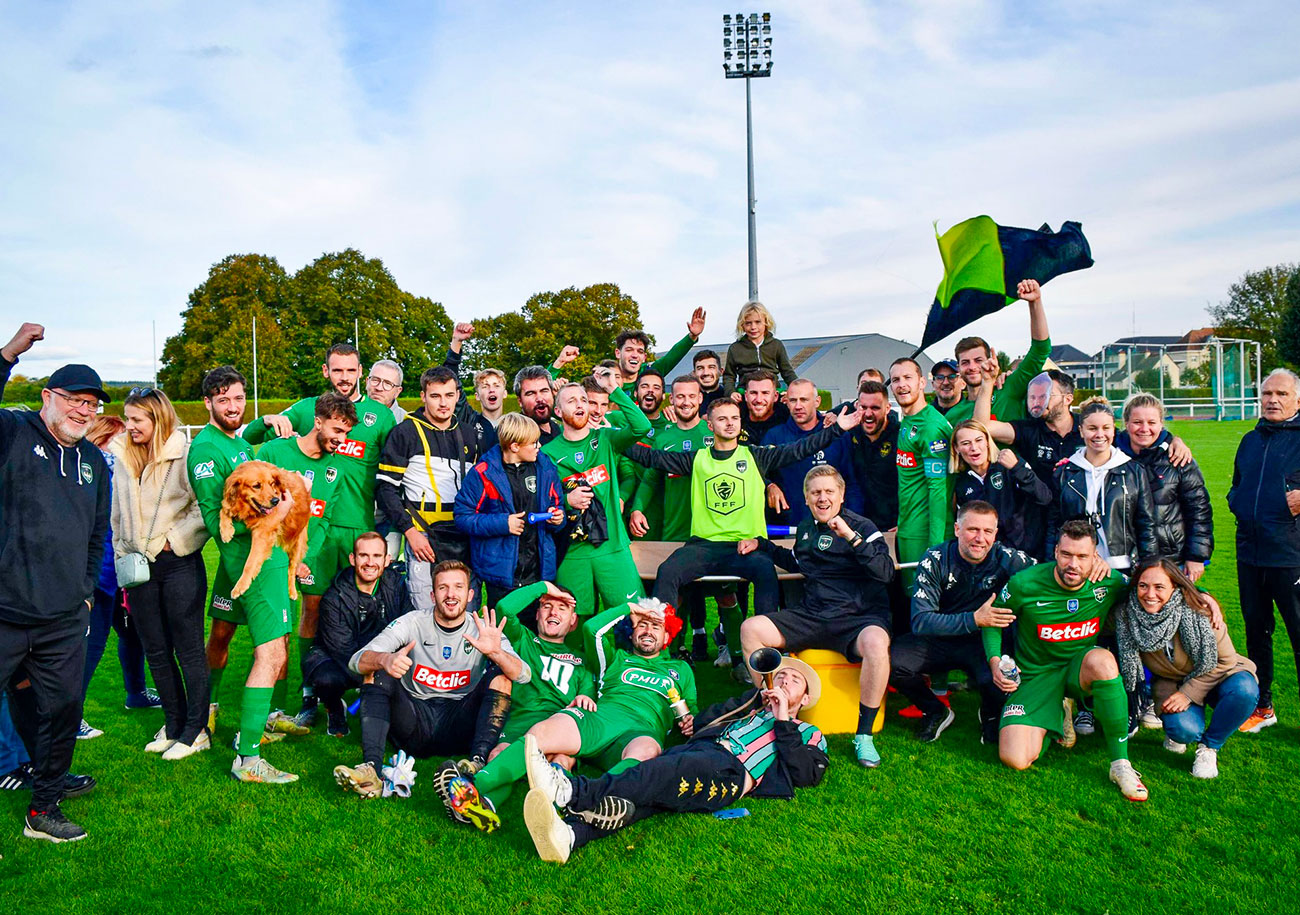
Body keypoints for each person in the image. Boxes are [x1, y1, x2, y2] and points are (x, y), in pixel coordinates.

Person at [624, 398, 864, 679]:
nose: (729, 423)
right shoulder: (697, 459)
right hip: (704, 546)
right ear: (710, 425)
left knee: (765, 572)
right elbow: (651, 457)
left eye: (734, 418)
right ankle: (659, 654)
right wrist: (608, 438)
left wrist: (839, 429)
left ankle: (768, 652)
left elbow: (800, 449)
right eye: (722, 419)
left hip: (746, 547)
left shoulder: (756, 456)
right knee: (668, 571)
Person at [519, 656, 827, 864]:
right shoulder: (749, 707)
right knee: (645, 799)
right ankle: (572, 835)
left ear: (806, 699)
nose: (784, 681)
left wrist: (783, 718)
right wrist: (750, 700)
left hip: (730, 770)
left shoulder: (809, 732)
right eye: (781, 675)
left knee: (653, 773)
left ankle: (571, 791)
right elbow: (704, 720)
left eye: (794, 681)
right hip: (701, 753)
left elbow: (805, 774)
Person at [240, 342, 397, 721]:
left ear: (361, 372)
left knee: (365, 612)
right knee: (309, 610)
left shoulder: (381, 416)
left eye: (351, 371)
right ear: (326, 372)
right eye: (337, 371)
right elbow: (261, 437)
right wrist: (268, 420)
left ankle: (362, 691)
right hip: (312, 527)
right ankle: (308, 694)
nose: (344, 378)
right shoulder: (309, 407)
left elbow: (392, 473)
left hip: (359, 528)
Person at [438, 597, 696, 826]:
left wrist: (690, 721)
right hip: (600, 720)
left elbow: (691, 709)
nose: (648, 630)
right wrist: (629, 608)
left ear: (667, 636)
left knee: (648, 752)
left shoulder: (679, 670)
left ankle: (588, 802)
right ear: (631, 632)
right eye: (642, 625)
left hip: (641, 730)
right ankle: (472, 789)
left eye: (656, 626)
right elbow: (591, 630)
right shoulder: (615, 658)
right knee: (541, 732)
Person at [0, 322, 110, 842]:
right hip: (4, 612)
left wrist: (85, 594)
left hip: (64, 618)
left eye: (92, 404)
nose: (84, 411)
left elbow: (95, 534)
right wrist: (7, 356)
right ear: (47, 397)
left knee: (62, 710)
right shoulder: (15, 433)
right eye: (74, 400)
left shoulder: (92, 461)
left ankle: (44, 808)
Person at [188, 365, 302, 783]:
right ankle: (249, 759)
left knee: (219, 636)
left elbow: (246, 439)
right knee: (271, 654)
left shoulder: (232, 440)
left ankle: (206, 715)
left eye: (238, 398)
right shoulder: (205, 451)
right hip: (254, 564)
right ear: (208, 403)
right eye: (224, 400)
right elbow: (220, 521)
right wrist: (282, 509)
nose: (232, 407)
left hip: (245, 564)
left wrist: (263, 421)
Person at [739, 466, 894, 767]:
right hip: (813, 616)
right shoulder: (806, 527)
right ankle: (769, 710)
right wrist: (763, 544)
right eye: (815, 493)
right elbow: (797, 561)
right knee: (751, 629)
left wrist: (850, 537)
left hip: (857, 617)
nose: (822, 498)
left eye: (828, 492)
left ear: (841, 495)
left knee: (877, 643)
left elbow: (885, 572)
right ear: (807, 499)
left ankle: (864, 735)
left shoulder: (861, 526)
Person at [332, 560, 527, 798]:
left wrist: (495, 653)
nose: (451, 594)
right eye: (443, 588)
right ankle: (371, 770)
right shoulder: (412, 621)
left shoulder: (482, 628)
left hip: (460, 721)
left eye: (458, 587)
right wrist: (385, 659)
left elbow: (522, 674)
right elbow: (357, 660)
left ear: (470, 594)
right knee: (375, 670)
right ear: (433, 595)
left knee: (502, 674)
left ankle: (477, 762)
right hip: (414, 719)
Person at [988, 520, 1146, 802]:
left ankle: (1120, 764)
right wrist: (995, 661)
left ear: (1095, 557)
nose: (1073, 564)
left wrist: (1202, 600)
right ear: (1056, 551)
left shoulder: (1108, 581)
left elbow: (1150, 592)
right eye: (1066, 554)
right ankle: (1059, 715)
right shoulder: (1024, 583)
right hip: (1035, 676)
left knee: (1104, 661)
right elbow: (993, 620)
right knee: (1015, 758)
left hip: (1078, 670)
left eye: (1083, 557)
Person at [434, 581, 595, 829]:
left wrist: (585, 699)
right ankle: (481, 805)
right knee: (499, 753)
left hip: (557, 724)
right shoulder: (523, 640)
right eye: (547, 606)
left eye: (562, 608)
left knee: (563, 759)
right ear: (538, 613)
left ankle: (554, 816)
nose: (553, 612)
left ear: (573, 620)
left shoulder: (581, 660)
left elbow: (587, 696)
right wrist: (543, 587)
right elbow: (504, 608)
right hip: (521, 719)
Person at [110, 387, 211, 759]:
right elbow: (116, 511)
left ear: (158, 418)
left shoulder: (185, 454)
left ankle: (196, 730)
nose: (129, 426)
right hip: (138, 568)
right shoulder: (122, 455)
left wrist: (174, 540)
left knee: (188, 650)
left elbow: (205, 507)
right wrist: (123, 550)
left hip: (178, 564)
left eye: (137, 419)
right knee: (155, 649)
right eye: (127, 418)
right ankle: (172, 725)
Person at [891, 501, 1040, 746]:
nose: (980, 538)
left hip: (984, 643)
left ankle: (990, 715)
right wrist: (973, 619)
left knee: (1004, 677)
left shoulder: (1009, 558)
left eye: (988, 531)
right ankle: (934, 711)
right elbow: (920, 621)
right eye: (973, 530)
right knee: (894, 663)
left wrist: (1095, 564)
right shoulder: (935, 558)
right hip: (939, 639)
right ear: (957, 529)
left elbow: (1050, 573)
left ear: (995, 533)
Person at [256, 392, 358, 725]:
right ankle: (273, 708)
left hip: (305, 559)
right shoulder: (275, 451)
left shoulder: (334, 470)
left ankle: (307, 693)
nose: (342, 440)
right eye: (337, 431)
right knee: (274, 632)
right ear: (318, 421)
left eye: (346, 434)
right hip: (269, 555)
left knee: (311, 613)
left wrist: (304, 556)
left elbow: (324, 520)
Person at [1115, 559, 1258, 779]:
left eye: (1159, 587)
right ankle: (1177, 733)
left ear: (1175, 587)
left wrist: (1188, 693)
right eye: (1143, 585)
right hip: (1171, 680)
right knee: (1183, 730)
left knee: (1245, 692)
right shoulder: (1127, 615)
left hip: (1220, 673)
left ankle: (1209, 748)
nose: (1149, 594)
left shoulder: (1199, 609)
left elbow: (1226, 661)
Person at [377, 365, 497, 616]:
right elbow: (386, 489)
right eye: (435, 396)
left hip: (463, 535)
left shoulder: (467, 433)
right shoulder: (405, 433)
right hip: (423, 535)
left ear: (457, 396)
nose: (443, 403)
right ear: (423, 396)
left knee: (465, 609)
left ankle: (465, 657)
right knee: (425, 611)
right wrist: (410, 532)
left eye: (449, 395)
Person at [1228, 367, 1300, 732]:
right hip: (1249, 554)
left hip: (1291, 556)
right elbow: (1237, 485)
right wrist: (1237, 501)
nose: (1273, 400)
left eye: (1282, 394)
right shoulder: (1250, 440)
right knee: (1257, 631)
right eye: (1268, 393)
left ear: (1297, 400)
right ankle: (1263, 707)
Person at [543, 379, 651, 618]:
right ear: (558, 412)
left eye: (583, 399)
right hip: (573, 552)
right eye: (571, 401)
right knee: (572, 623)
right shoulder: (547, 454)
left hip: (613, 548)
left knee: (635, 617)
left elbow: (641, 426)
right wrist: (566, 500)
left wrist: (614, 390)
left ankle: (633, 658)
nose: (580, 404)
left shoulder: (605, 439)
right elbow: (540, 501)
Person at [627, 375, 714, 656]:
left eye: (692, 396)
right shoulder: (664, 438)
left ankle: (735, 654)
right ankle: (675, 650)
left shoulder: (713, 435)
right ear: (671, 400)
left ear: (701, 398)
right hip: (674, 527)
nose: (686, 401)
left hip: (712, 529)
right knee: (673, 594)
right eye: (680, 396)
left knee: (725, 593)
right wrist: (638, 507)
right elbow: (651, 480)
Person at [81, 415, 155, 740]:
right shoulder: (97, 472)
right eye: (119, 438)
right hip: (98, 578)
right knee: (89, 648)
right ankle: (70, 718)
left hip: (121, 575)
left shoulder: (121, 472)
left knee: (132, 635)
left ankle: (136, 694)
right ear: (102, 440)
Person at [455, 413, 568, 622]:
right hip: (502, 576)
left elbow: (557, 505)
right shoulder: (483, 472)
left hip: (538, 572)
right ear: (515, 446)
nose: (539, 447)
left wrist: (558, 518)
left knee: (534, 635)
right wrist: (502, 524)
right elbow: (463, 516)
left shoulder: (545, 466)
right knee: (503, 635)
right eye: (533, 443)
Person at [303, 532, 415, 738]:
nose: (370, 563)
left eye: (376, 556)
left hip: (381, 654)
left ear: (387, 560)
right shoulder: (334, 597)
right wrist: (375, 669)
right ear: (353, 559)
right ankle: (335, 708)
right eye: (363, 556)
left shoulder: (397, 585)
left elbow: (408, 624)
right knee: (326, 679)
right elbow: (342, 651)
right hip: (339, 658)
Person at [1047, 398, 1157, 570]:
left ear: (1114, 430)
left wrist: (1148, 568)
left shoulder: (1134, 471)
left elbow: (1146, 524)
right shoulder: (1064, 473)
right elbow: (1053, 525)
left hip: (1122, 567)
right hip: (1078, 569)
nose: (1100, 434)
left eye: (1106, 428)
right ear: (1081, 431)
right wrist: (1051, 565)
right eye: (1092, 428)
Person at [1119, 393, 1213, 580]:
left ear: (1161, 423)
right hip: (1121, 560)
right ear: (1126, 423)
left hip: (1169, 559)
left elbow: (1199, 510)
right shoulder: (1110, 457)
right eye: (1137, 422)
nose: (1145, 429)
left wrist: (1196, 556)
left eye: (1152, 422)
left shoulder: (1179, 459)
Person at [944, 279, 1051, 426]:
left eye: (978, 360)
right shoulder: (953, 415)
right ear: (958, 368)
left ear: (990, 361)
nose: (972, 367)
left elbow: (1040, 350)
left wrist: (1035, 303)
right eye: (965, 362)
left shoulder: (1009, 388)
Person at [761, 379, 864, 527]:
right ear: (786, 402)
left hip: (832, 530)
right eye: (793, 400)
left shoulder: (837, 434)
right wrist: (769, 485)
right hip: (788, 530)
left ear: (817, 401)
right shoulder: (774, 436)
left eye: (804, 400)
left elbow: (852, 483)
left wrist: (853, 524)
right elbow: (753, 473)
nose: (798, 406)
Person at [890, 357, 953, 588]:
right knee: (911, 603)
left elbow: (938, 491)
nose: (901, 384)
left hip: (925, 534)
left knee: (925, 605)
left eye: (908, 378)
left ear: (922, 383)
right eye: (896, 379)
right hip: (908, 528)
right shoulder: (907, 421)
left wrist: (935, 546)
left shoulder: (931, 427)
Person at [950, 419, 1051, 556]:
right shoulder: (961, 482)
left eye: (978, 440)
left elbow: (1044, 497)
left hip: (1026, 552)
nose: (974, 448)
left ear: (987, 441)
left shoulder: (1009, 464)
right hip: (990, 557)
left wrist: (1017, 468)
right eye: (965, 443)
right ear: (957, 448)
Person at [846, 380, 900, 534]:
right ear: (857, 406)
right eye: (864, 407)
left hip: (892, 528)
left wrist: (906, 522)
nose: (868, 414)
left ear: (888, 408)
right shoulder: (849, 434)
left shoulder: (901, 436)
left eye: (875, 408)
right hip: (856, 529)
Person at [722, 300, 797, 394]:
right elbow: (729, 376)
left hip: (773, 391)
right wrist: (731, 392)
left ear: (766, 322)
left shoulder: (776, 345)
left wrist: (797, 390)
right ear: (742, 325)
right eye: (748, 323)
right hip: (745, 391)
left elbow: (787, 372)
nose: (753, 327)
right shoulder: (735, 348)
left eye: (758, 322)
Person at [738, 369, 790, 444]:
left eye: (765, 393)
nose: (759, 399)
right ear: (746, 396)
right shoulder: (735, 418)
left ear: (775, 396)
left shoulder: (788, 419)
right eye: (753, 393)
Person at [515, 366, 561, 444]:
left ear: (553, 394)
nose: (539, 398)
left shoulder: (559, 430)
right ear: (520, 401)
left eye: (544, 391)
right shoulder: (515, 435)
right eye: (531, 393)